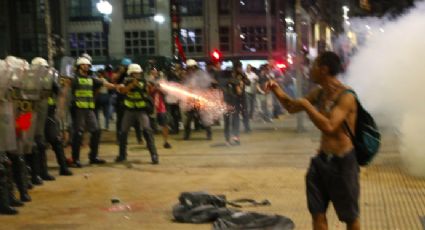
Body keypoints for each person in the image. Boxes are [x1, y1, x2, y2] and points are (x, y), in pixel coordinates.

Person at [268, 51, 360, 230]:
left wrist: (306, 105)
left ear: (324, 70)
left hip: (343, 163)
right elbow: (292, 107)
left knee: (350, 217)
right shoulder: (319, 92)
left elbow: (330, 126)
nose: (310, 70)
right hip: (321, 162)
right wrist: (276, 89)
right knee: (317, 213)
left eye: (314, 66)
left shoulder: (347, 96)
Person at [70, 57, 116, 167]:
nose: (86, 66)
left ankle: (93, 157)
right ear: (78, 67)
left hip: (89, 109)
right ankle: (75, 159)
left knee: (96, 131)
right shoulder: (74, 79)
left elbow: (105, 84)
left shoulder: (91, 78)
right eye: (84, 65)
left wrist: (118, 86)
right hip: (78, 109)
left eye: (88, 65)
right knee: (78, 134)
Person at [115, 64, 159, 164]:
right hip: (129, 110)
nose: (137, 75)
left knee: (147, 131)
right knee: (123, 132)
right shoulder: (126, 81)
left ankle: (154, 155)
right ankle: (122, 155)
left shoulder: (143, 82)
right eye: (135, 73)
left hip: (141, 110)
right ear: (130, 73)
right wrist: (131, 85)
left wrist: (150, 87)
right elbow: (122, 91)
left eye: (138, 73)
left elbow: (147, 92)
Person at [147, 68, 172, 149]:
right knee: (149, 128)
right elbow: (148, 92)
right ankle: (150, 143)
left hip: (161, 107)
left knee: (165, 125)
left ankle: (166, 142)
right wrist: (154, 87)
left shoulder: (160, 82)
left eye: (155, 73)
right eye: (152, 73)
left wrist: (160, 87)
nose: (154, 74)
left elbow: (165, 92)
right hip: (150, 107)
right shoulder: (148, 83)